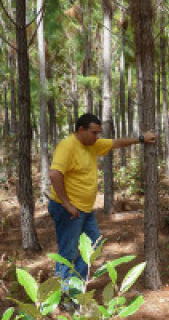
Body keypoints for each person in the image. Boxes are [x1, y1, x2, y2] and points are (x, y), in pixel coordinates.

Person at [48, 113, 157, 297]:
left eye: (99, 133)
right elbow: (54, 174)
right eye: (94, 132)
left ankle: (76, 290)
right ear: (81, 130)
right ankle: (64, 298)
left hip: (85, 210)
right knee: (68, 253)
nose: (97, 136)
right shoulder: (67, 146)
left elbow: (116, 143)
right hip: (69, 211)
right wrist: (67, 204)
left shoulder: (92, 144)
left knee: (93, 245)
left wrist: (140, 139)